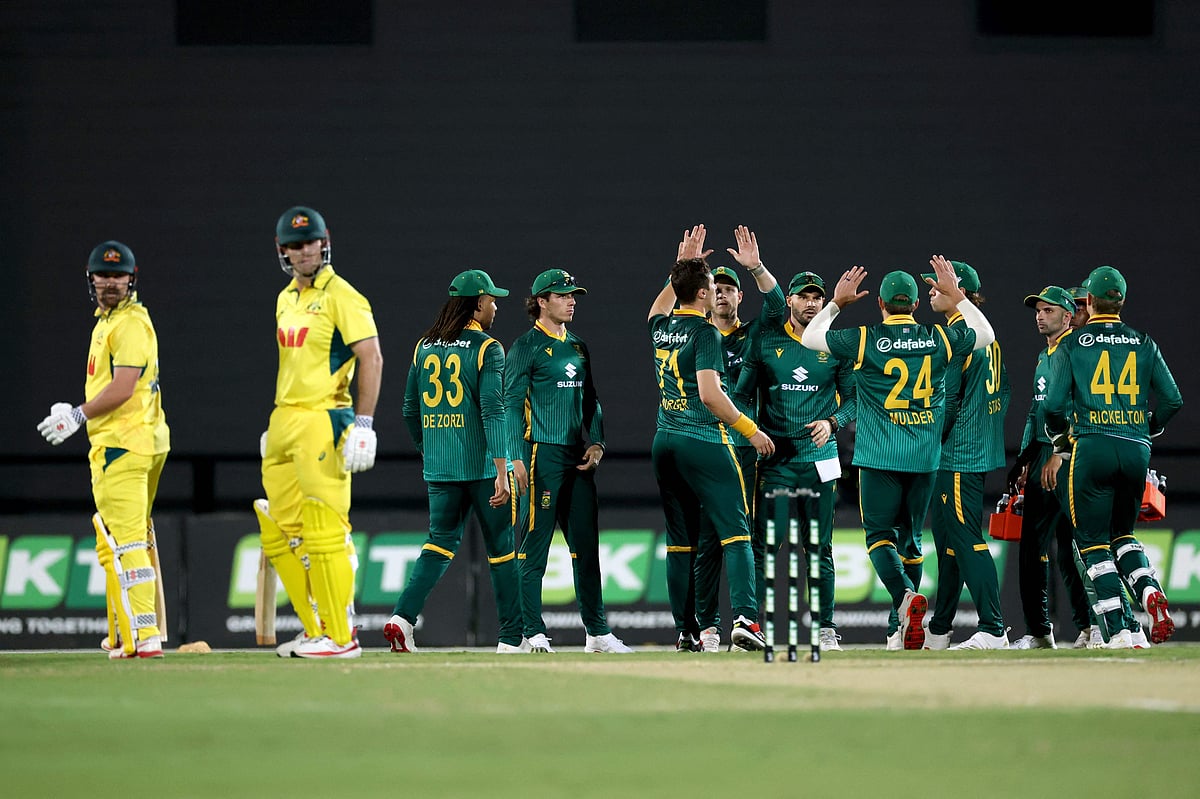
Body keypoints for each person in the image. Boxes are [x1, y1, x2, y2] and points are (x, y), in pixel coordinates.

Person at [801, 256, 995, 650]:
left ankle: (905, 599)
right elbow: (985, 334)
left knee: (878, 538)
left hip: (879, 456)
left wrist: (836, 303)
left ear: (881, 305)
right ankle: (898, 630)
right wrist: (959, 298)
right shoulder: (938, 338)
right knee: (912, 540)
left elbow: (809, 339)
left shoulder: (865, 338)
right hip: (925, 457)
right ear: (916, 305)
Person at [258, 206, 382, 659]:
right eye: (294, 245)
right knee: (290, 534)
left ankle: (342, 634)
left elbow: (372, 358)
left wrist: (363, 424)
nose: (303, 251)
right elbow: (292, 367)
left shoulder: (343, 295)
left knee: (327, 529)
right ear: (282, 252)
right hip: (285, 419)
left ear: (324, 242)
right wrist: (277, 426)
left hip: (324, 418)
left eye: (309, 242)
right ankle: (318, 628)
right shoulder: (284, 298)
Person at [37, 240, 170, 658]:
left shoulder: (129, 324)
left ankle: (144, 635)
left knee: (126, 542)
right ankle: (123, 631)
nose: (109, 283)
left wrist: (78, 415)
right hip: (133, 441)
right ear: (91, 279)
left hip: (123, 444)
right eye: (103, 275)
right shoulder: (108, 322)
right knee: (123, 539)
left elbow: (123, 387)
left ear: (132, 279)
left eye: (118, 276)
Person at [648, 224, 774, 653]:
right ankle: (745, 620)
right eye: (709, 285)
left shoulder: (661, 328)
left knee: (680, 542)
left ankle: (686, 632)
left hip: (663, 442)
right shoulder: (704, 333)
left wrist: (683, 265)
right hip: (701, 438)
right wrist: (750, 430)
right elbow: (710, 395)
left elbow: (656, 309)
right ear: (702, 294)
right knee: (737, 535)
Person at [1043, 266, 1183, 648]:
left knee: (1091, 542)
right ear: (1122, 302)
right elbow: (1173, 400)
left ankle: (1119, 630)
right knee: (1123, 534)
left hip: (1091, 446)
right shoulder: (1143, 341)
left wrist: (1059, 440)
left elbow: (1053, 406)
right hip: (1136, 448)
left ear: (1087, 301)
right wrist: (1147, 427)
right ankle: (1148, 588)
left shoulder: (1073, 344)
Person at [385, 269, 524, 654]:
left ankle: (402, 619)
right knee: (502, 547)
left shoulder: (423, 346)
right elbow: (494, 412)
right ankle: (512, 638)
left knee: (439, 544)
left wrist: (428, 448)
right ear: (477, 304)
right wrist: (503, 467)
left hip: (441, 467)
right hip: (482, 467)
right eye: (492, 300)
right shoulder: (487, 348)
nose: (495, 306)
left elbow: (409, 409)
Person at [504, 268, 632, 654]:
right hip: (541, 455)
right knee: (536, 547)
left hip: (578, 458)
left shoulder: (578, 346)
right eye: (563, 295)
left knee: (585, 547)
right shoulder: (525, 347)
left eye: (573, 294)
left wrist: (599, 443)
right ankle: (532, 631)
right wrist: (514, 459)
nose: (572, 300)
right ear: (541, 302)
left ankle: (597, 632)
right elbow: (509, 406)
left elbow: (591, 400)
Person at [733, 270, 856, 652]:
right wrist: (754, 431)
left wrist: (833, 421)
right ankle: (754, 626)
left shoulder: (835, 344)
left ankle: (826, 629)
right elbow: (739, 396)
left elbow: (855, 400)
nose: (811, 303)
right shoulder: (767, 341)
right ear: (789, 301)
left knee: (819, 547)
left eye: (817, 297)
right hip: (775, 462)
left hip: (820, 460)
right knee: (765, 546)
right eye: (803, 296)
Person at [693, 226, 785, 653]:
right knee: (710, 539)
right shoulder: (695, 334)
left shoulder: (754, 336)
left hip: (747, 451)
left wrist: (757, 268)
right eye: (717, 288)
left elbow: (779, 305)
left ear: (739, 297)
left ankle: (745, 621)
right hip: (706, 444)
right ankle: (707, 627)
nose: (724, 294)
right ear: (705, 295)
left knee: (746, 537)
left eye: (731, 288)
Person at [918, 261, 1010, 650]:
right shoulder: (987, 335)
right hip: (975, 447)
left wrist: (926, 443)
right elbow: (1001, 395)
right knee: (949, 543)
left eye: (937, 286)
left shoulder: (957, 334)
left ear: (961, 291)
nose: (930, 292)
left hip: (957, 452)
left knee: (965, 538)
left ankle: (993, 628)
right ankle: (939, 629)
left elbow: (947, 402)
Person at [1007, 285, 1093, 650]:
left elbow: (1081, 405)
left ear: (1068, 315)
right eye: (1038, 310)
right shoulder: (1046, 355)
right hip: (1043, 457)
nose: (1040, 316)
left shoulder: (1077, 351)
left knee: (1079, 548)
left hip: (1071, 458)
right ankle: (1040, 631)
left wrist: (1061, 451)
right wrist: (1026, 459)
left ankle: (1093, 626)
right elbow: (1036, 410)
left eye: (1049, 310)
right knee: (1033, 548)